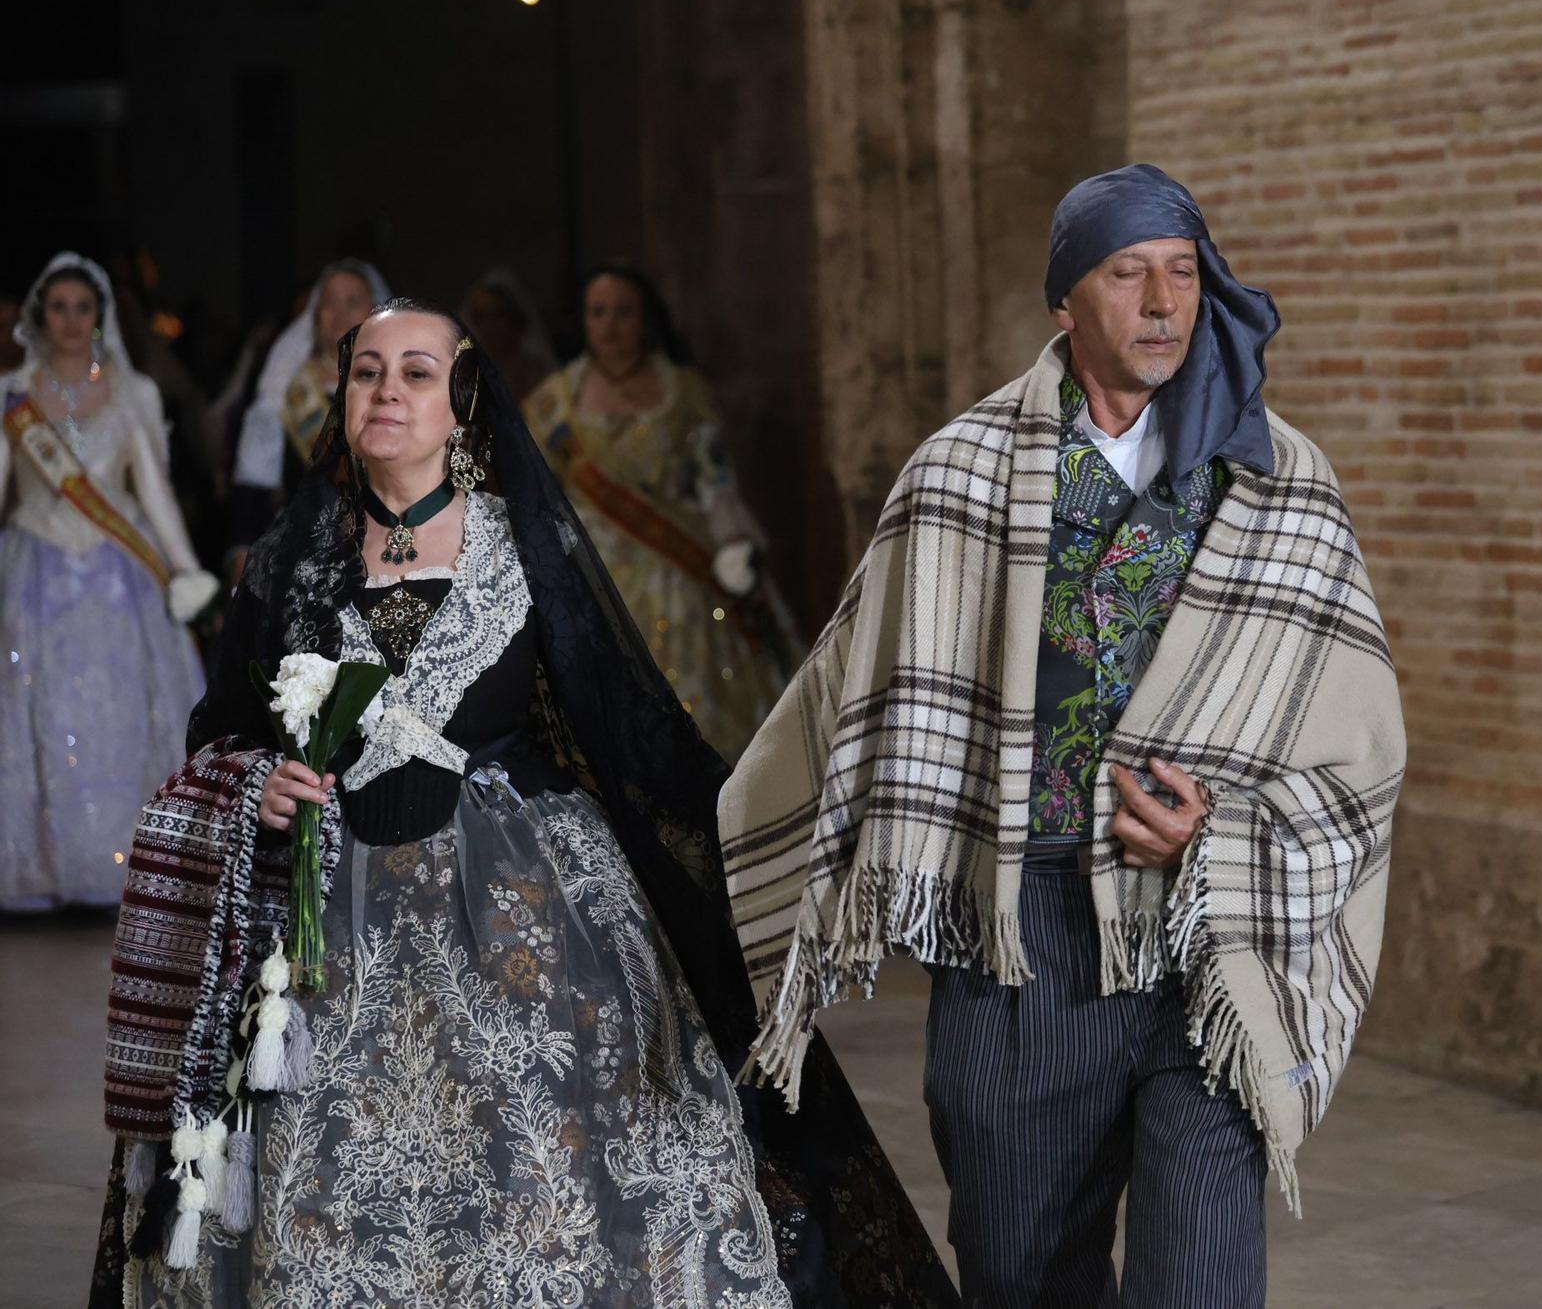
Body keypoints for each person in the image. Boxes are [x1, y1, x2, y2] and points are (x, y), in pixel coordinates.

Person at [92, 301, 956, 1308]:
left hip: (522, 909)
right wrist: (256, 780)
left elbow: (632, 730)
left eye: (415, 373)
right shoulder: (294, 554)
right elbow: (223, 727)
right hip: (327, 924)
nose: (386, 392)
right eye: (366, 372)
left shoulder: (524, 548)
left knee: (555, 1144)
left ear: (461, 403)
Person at [723, 164, 1407, 1306]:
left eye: (1182, 274)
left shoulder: (1281, 481)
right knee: (1019, 1274)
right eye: (1126, 272)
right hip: (1022, 937)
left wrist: (1222, 831)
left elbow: (1356, 743)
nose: (1161, 302)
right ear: (1064, 303)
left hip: (1208, 940)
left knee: (1198, 1281)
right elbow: (858, 679)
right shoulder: (961, 473)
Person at [0, 252, 216, 911]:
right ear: (42, 316)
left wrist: (184, 569)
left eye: (82, 307)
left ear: (100, 317)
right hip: (35, 567)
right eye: (58, 307)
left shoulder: (133, 393)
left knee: (120, 714)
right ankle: (46, 862)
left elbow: (152, 492)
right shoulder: (13, 393)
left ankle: (129, 859)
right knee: (39, 714)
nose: (71, 320)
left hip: (120, 579)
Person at [524, 264, 795, 761]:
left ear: (647, 319)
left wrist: (737, 551)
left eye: (623, 312)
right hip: (588, 573)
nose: (610, 325)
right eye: (598, 312)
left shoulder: (685, 394)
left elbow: (716, 482)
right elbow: (535, 499)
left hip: (678, 569)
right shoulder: (551, 404)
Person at [226, 259, 387, 574]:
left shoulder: (398, 390)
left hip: (383, 553)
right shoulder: (287, 388)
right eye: (329, 303)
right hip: (302, 556)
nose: (339, 313)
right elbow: (254, 484)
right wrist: (240, 557)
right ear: (315, 315)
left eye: (353, 302)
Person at [460, 266, 557, 403]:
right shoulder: (465, 377)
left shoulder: (539, 374)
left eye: (498, 315)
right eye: (480, 317)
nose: (489, 326)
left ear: (515, 317)